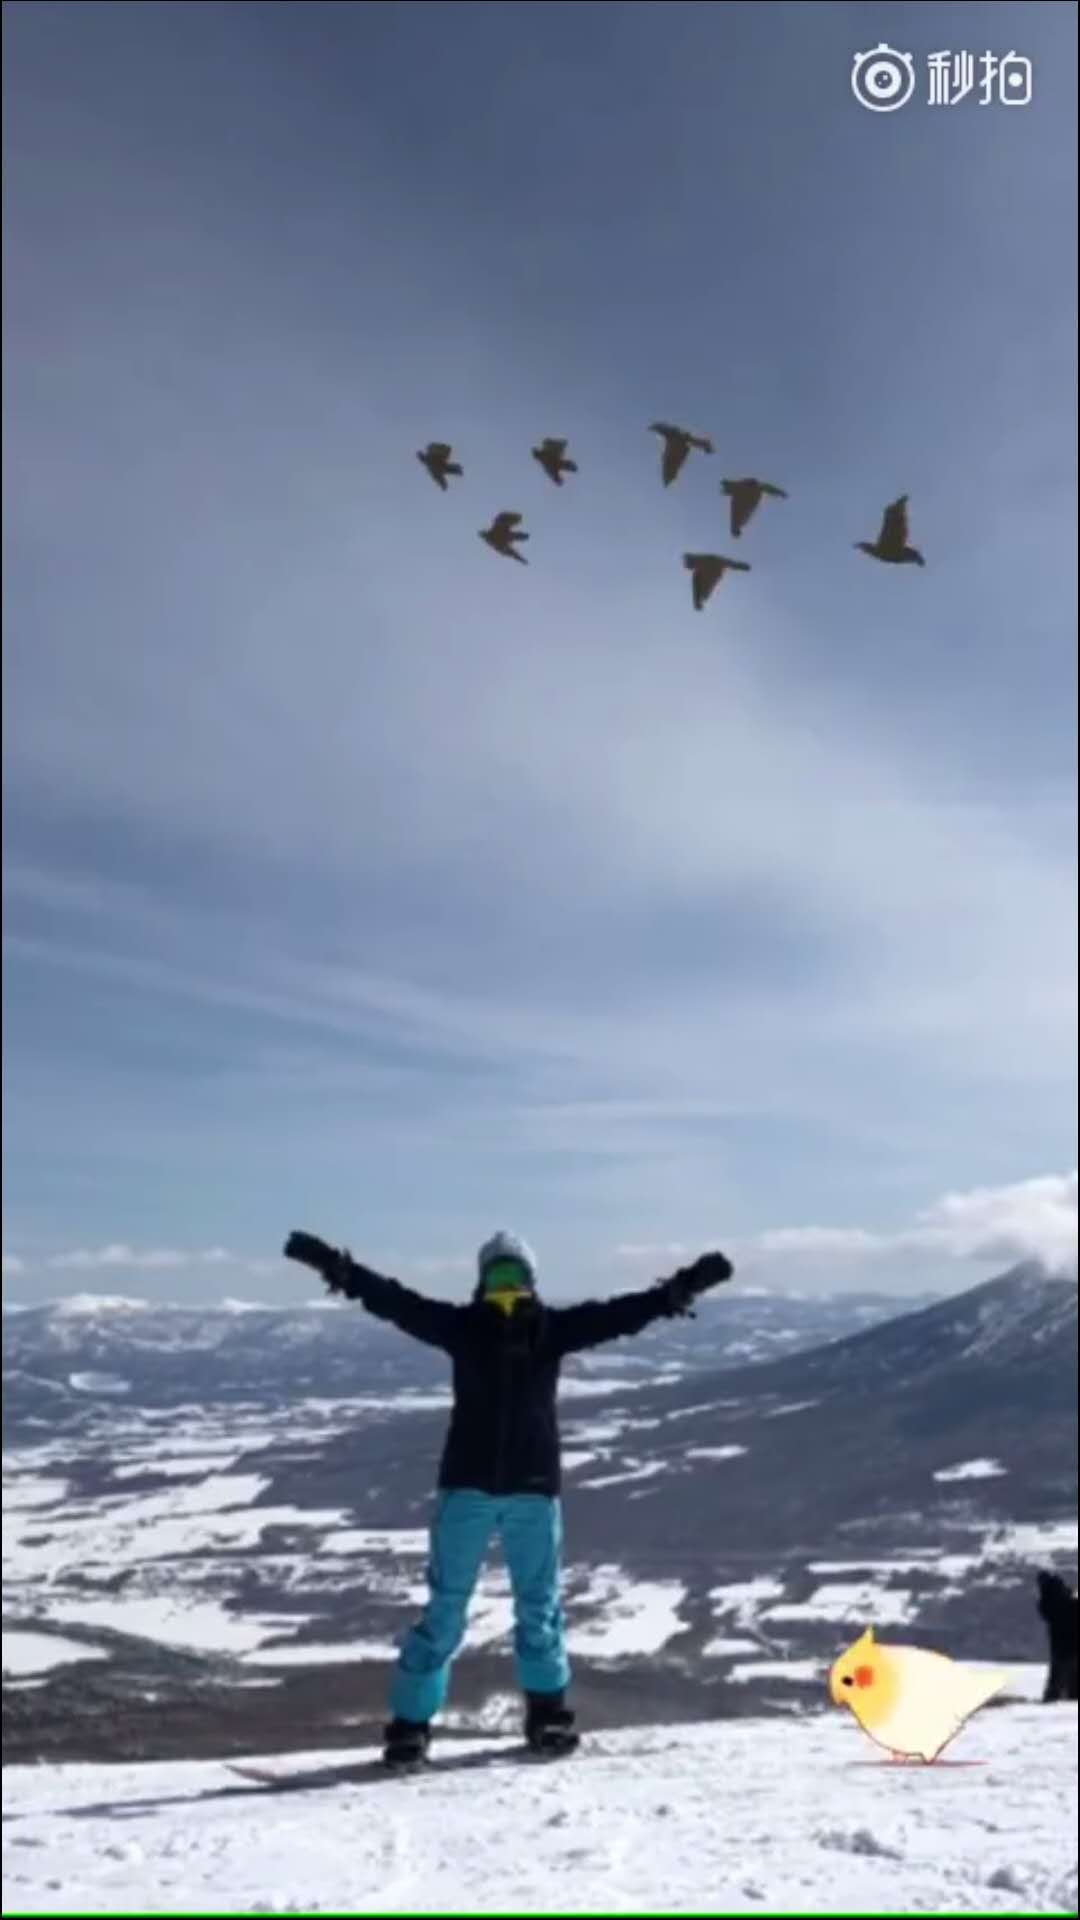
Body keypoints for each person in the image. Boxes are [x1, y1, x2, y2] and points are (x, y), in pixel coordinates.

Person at [284, 1226, 734, 1767]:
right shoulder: (461, 1328)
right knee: (446, 1611)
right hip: (468, 1489)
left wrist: (676, 1291)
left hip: (533, 1491)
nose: (506, 1284)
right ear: (480, 1281)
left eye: (514, 1274)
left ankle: (547, 1716)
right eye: (497, 1274)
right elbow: (396, 1303)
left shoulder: (551, 1330)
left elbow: (620, 1315)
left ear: (531, 1280)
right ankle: (410, 1726)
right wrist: (342, 1270)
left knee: (539, 1609)